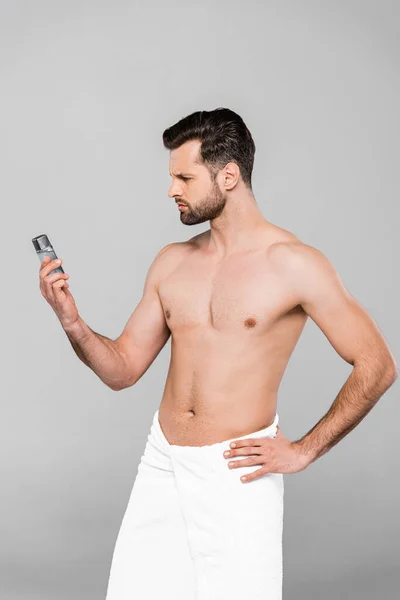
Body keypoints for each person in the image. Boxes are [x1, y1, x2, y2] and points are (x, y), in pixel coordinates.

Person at [39, 108, 397, 599]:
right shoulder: (172, 262)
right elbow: (121, 370)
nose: (172, 190)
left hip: (239, 472)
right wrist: (72, 322)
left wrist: (305, 450)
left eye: (184, 177)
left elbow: (377, 365)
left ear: (228, 176)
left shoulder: (295, 265)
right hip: (162, 464)